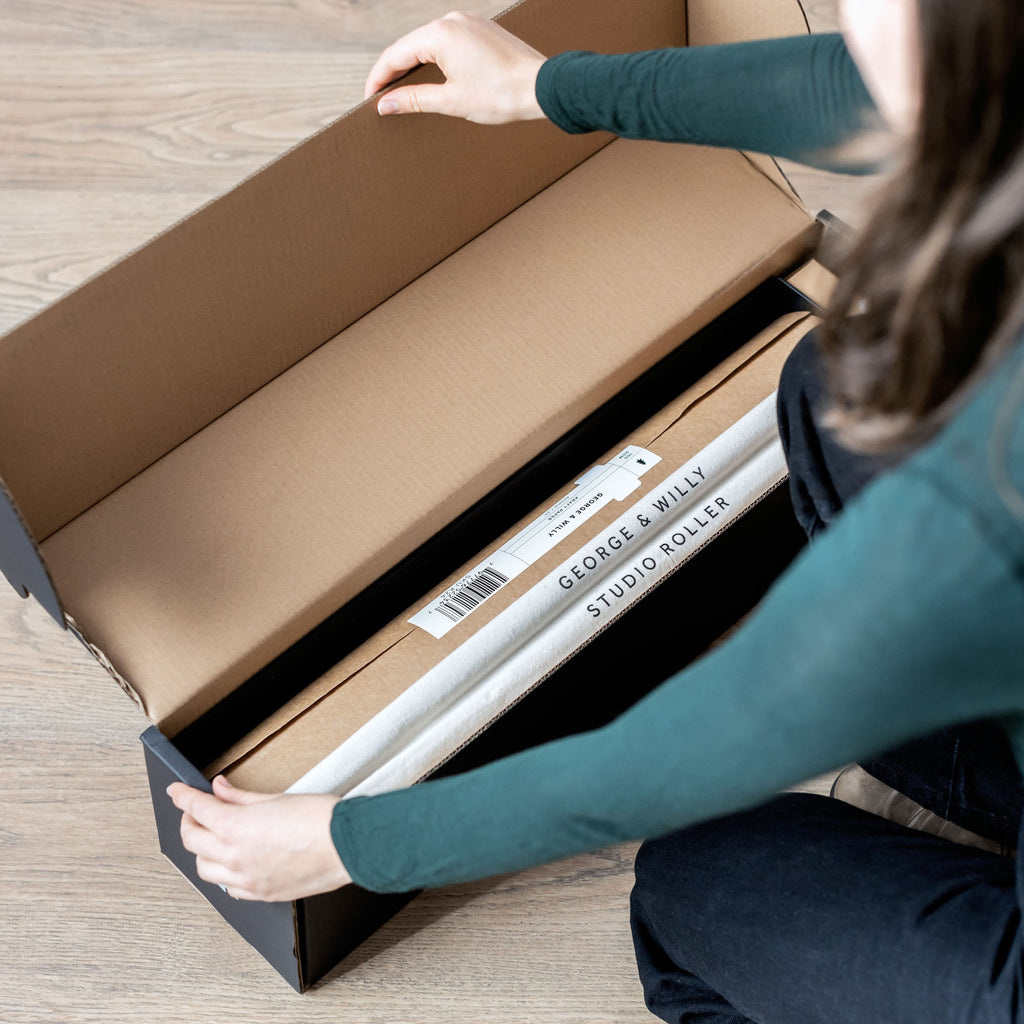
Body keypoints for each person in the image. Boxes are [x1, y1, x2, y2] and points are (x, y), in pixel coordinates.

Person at [168, 3, 1024, 1020]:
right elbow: (884, 86)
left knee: (694, 888)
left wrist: (346, 844)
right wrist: (547, 88)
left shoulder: (978, 484)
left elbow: (690, 751)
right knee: (833, 380)